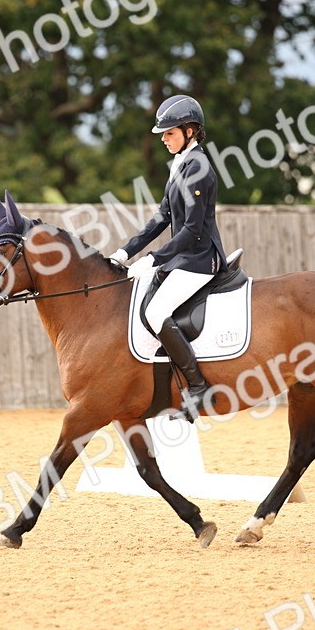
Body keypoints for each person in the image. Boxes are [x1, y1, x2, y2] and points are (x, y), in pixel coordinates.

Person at [108, 95, 228, 421]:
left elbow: (191, 230)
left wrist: (153, 258)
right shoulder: (180, 163)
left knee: (157, 309)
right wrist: (126, 251)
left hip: (202, 258)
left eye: (169, 133)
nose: (163, 138)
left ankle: (199, 387)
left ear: (190, 131)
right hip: (184, 259)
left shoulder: (199, 168)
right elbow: (162, 217)